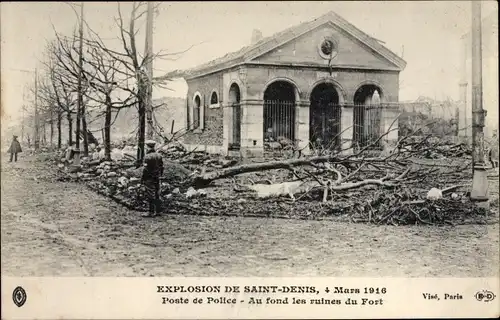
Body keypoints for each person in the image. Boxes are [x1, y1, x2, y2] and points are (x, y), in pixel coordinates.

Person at [141, 140, 164, 217]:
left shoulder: (147, 157)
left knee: (150, 194)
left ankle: (151, 212)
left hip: (149, 178)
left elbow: (145, 169)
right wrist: (160, 175)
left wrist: (143, 178)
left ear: (147, 147)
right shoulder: (159, 155)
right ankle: (158, 211)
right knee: (157, 193)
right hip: (157, 177)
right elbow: (162, 167)